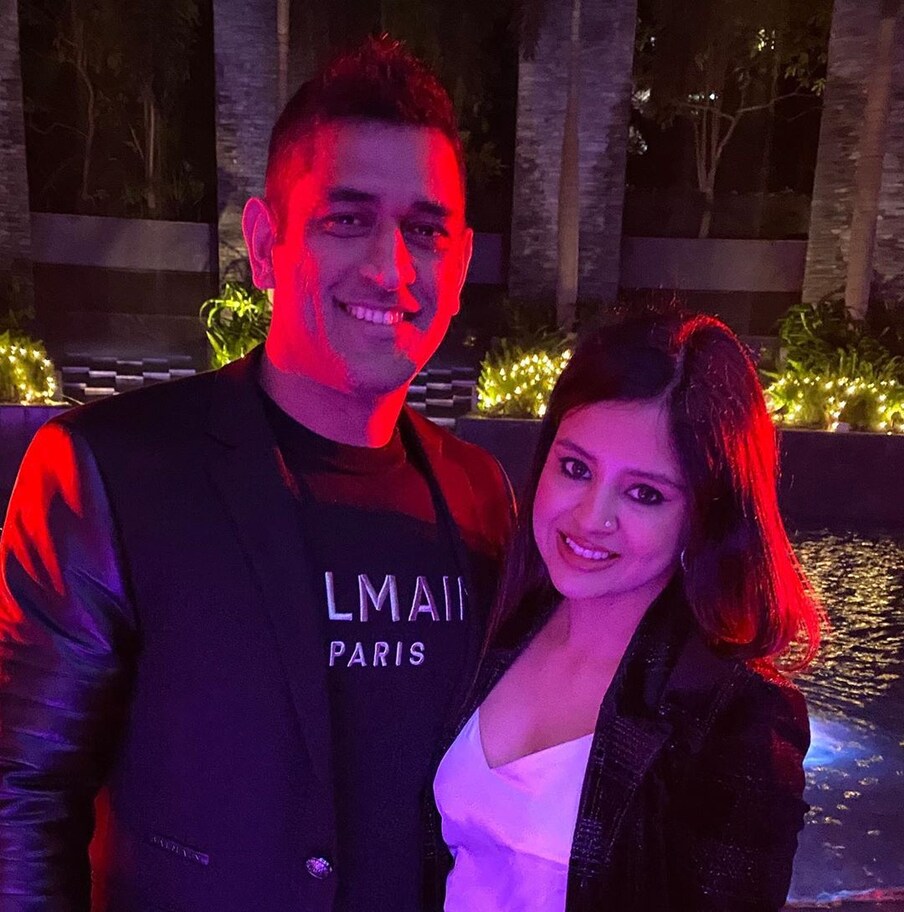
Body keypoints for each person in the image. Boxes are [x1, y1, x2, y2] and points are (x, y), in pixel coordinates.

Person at [0, 36, 513, 912]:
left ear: (460, 265)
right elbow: (22, 800)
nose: (391, 268)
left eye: (425, 231)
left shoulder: (483, 497)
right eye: (347, 219)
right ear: (265, 244)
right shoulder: (112, 473)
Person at [428, 313, 821, 911]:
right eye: (575, 468)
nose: (591, 518)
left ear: (705, 515)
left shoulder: (736, 716)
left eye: (644, 493)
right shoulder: (495, 618)